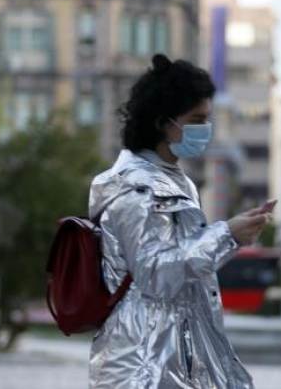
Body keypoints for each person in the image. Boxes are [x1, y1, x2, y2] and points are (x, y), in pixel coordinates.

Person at [88, 54, 270, 388]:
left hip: (173, 357)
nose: (205, 130)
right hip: (140, 365)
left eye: (207, 119)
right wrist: (226, 234)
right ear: (163, 122)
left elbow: (188, 266)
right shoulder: (134, 188)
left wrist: (234, 236)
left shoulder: (178, 181)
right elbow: (155, 274)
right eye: (197, 120)